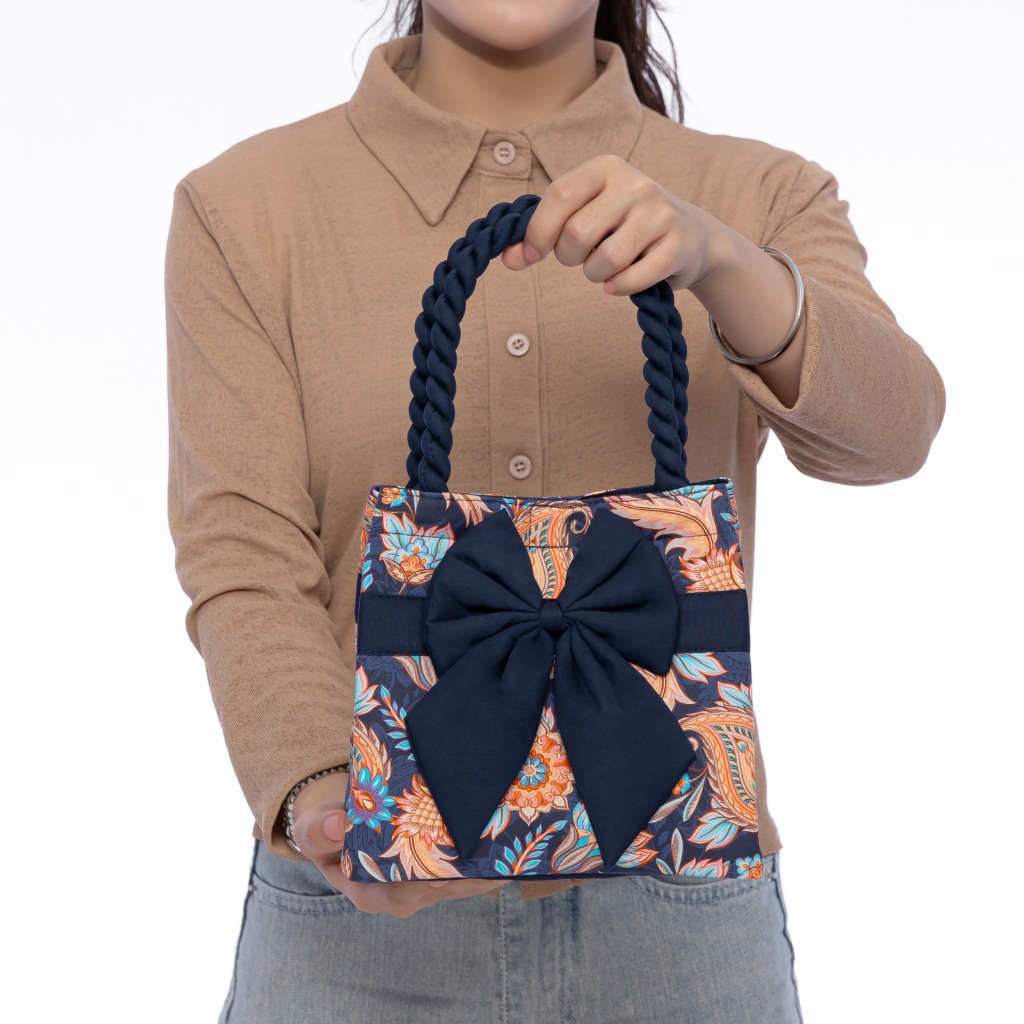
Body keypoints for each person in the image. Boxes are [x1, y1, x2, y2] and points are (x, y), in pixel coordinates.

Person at [164, 1, 945, 1020]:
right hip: (359, 901)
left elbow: (892, 435)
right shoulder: (245, 206)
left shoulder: (760, 192)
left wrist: (722, 261)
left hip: (682, 910)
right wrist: (320, 790)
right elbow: (243, 550)